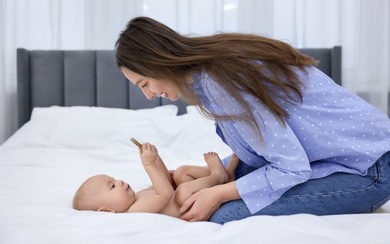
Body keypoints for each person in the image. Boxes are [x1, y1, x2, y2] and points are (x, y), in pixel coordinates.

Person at [114, 16, 390, 224]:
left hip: (369, 168)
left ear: (156, 63)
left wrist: (218, 193)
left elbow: (291, 167)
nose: (149, 96)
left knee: (223, 214)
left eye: (144, 84)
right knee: (220, 191)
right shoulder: (210, 73)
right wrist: (211, 175)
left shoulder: (219, 82)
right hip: (343, 159)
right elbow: (264, 148)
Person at [73, 142, 239, 219]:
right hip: (191, 207)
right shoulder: (134, 212)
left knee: (181, 173)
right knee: (182, 191)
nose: (120, 182)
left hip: (191, 197)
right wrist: (149, 164)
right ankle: (218, 176)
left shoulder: (137, 197)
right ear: (107, 211)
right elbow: (165, 193)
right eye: (113, 186)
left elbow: (164, 180)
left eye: (115, 179)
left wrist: (156, 158)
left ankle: (226, 175)